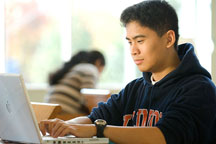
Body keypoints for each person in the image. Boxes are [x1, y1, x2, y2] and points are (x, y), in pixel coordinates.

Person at [39, 1, 216, 144]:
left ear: (169, 39)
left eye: (140, 40)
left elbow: (165, 136)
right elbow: (95, 118)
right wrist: (65, 126)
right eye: (130, 42)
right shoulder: (136, 88)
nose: (133, 50)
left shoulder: (199, 89)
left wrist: (98, 129)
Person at [44, 50, 106, 114]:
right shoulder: (90, 69)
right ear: (98, 62)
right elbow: (89, 100)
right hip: (65, 113)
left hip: (49, 112)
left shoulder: (73, 68)